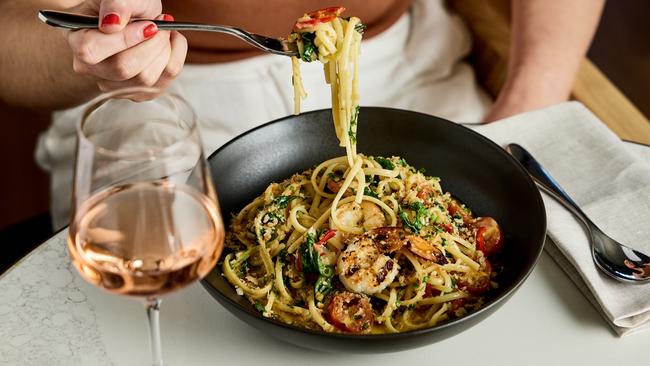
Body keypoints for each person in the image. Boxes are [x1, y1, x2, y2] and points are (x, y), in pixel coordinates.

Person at [0, 0, 605, 228]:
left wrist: (531, 100)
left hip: (406, 65)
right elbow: (12, 40)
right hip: (163, 95)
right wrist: (97, 56)